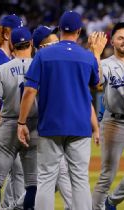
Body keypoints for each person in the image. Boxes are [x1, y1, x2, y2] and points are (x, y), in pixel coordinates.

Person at [17, 11, 100, 210]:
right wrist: (96, 54)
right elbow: (97, 85)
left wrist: (21, 122)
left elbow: (29, 90)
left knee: (46, 178)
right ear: (79, 31)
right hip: (80, 127)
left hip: (51, 125)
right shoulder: (87, 57)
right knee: (80, 179)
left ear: (60, 30)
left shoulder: (44, 54)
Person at [92, 22, 124, 210]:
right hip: (114, 123)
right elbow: (97, 82)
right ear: (112, 41)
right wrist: (96, 55)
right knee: (107, 176)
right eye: (120, 38)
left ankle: (111, 203)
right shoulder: (105, 64)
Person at [0, 26, 38, 210]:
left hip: (9, 125)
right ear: (32, 43)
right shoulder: (40, 65)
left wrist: (1, 125)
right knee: (33, 185)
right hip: (34, 128)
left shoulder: (3, 69)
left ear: (11, 45)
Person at [31, 25, 72, 210]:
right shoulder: (40, 64)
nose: (58, 44)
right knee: (52, 176)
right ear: (41, 47)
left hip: (48, 126)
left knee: (52, 177)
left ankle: (15, 206)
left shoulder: (46, 63)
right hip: (41, 127)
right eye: (53, 42)